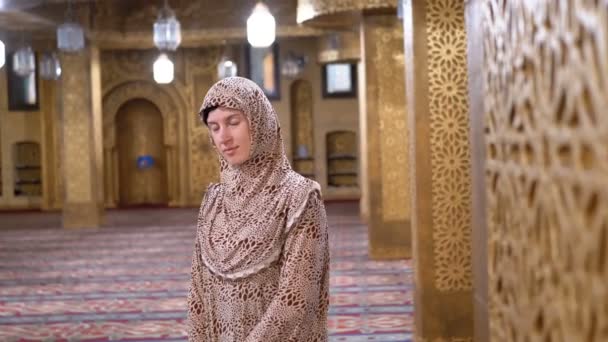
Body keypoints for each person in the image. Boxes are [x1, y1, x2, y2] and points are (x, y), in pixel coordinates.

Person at [187, 77, 330, 342]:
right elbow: (197, 295)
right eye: (214, 127)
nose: (224, 137)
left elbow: (295, 301)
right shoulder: (213, 202)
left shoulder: (300, 198)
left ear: (259, 121)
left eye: (233, 122)